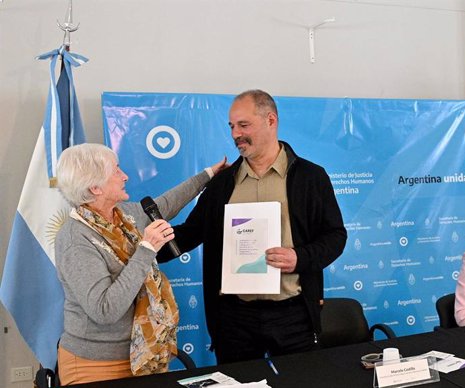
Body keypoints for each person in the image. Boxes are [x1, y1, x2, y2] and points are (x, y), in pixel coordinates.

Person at [167, 89, 347, 363]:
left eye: (243, 125)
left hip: (294, 316)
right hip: (234, 319)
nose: (235, 133)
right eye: (231, 126)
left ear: (271, 120)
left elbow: (335, 236)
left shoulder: (311, 177)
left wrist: (300, 258)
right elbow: (191, 233)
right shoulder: (222, 184)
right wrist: (141, 246)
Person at [54, 143, 227, 385]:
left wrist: (207, 175)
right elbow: (105, 310)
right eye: (116, 171)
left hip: (146, 355)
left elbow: (166, 204)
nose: (125, 175)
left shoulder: (124, 214)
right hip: (97, 365)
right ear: (95, 187)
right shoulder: (75, 240)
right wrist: (146, 249)